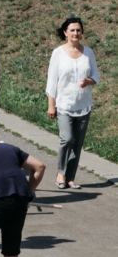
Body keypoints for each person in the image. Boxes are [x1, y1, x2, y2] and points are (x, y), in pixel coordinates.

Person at [45, 17, 99, 190]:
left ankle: (70, 178)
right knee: (67, 138)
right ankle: (61, 172)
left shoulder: (88, 53)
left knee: (77, 143)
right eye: (72, 30)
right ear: (65, 32)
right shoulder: (58, 53)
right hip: (64, 105)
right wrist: (51, 105)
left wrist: (88, 81)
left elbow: (96, 76)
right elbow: (51, 82)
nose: (76, 33)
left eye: (78, 30)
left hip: (83, 105)